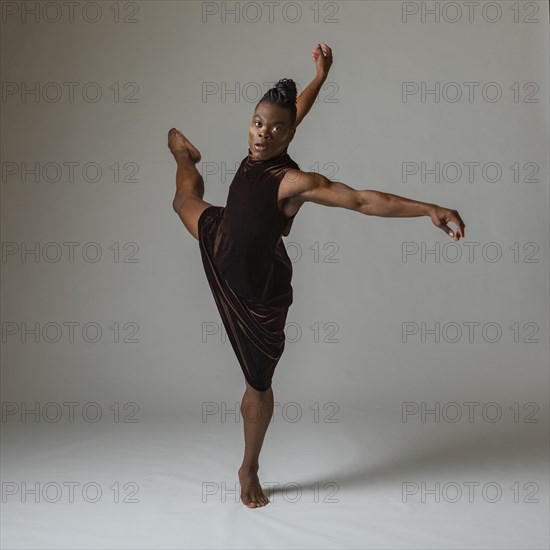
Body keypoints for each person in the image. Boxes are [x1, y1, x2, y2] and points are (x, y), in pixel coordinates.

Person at [167, 43, 465, 509]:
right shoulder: (268, 137)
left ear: (288, 137)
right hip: (220, 238)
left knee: (257, 386)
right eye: (257, 123)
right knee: (183, 199)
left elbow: (364, 200)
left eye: (275, 129)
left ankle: (249, 467)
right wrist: (321, 76)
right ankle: (183, 153)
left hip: (255, 293)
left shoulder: (295, 183)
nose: (262, 136)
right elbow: (292, 112)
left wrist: (428, 208)